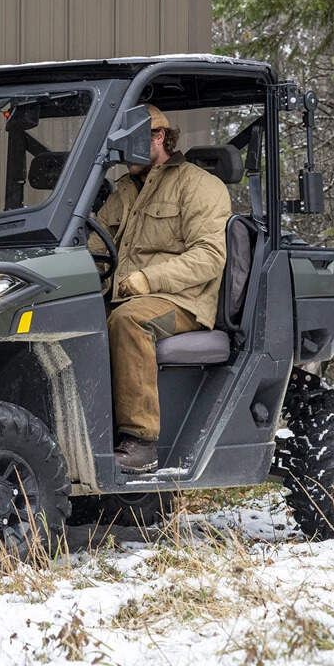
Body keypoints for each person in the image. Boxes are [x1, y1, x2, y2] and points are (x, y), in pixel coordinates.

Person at [92, 104, 231, 473]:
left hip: (182, 303)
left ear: (158, 137)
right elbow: (95, 244)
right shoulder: (124, 190)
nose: (123, 154)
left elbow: (209, 257)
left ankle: (141, 442)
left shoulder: (198, 186)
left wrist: (149, 279)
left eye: (130, 143)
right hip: (125, 295)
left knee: (130, 321)